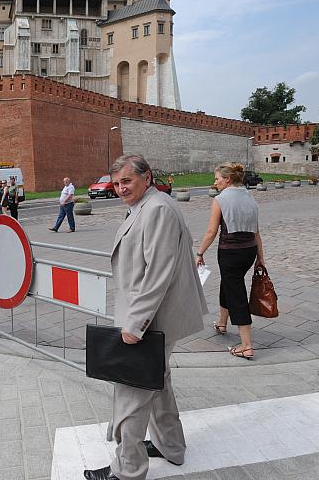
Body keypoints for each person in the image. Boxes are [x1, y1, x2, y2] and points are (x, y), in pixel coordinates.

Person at [84, 155, 207, 480]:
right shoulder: (149, 206)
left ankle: (127, 470)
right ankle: (171, 446)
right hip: (154, 317)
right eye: (117, 183)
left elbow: (158, 274)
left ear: (147, 177)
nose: (121, 188)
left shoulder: (158, 210)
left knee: (131, 395)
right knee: (158, 382)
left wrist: (135, 324)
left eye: (127, 181)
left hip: (150, 320)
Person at [196, 162, 264, 361]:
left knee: (236, 293)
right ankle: (222, 323)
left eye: (217, 179)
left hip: (230, 252)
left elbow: (211, 232)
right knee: (229, 284)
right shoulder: (250, 198)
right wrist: (261, 258)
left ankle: (246, 345)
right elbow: (257, 232)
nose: (215, 182)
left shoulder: (220, 200)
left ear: (227, 179)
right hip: (249, 251)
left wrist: (199, 253)